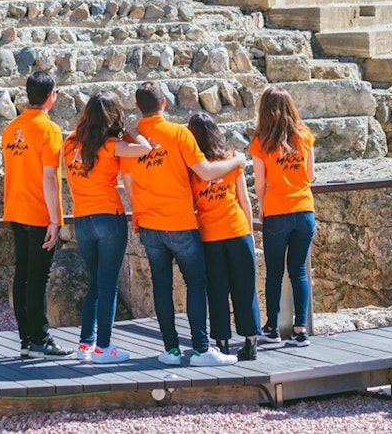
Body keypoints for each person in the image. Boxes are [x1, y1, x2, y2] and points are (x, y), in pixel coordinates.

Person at [122, 81, 245, 367]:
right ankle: (201, 349)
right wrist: (237, 160)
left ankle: (171, 350)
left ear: (138, 106)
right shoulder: (179, 134)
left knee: (161, 286)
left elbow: (128, 189)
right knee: (195, 284)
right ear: (164, 103)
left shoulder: (131, 142)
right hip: (179, 222)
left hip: (150, 225)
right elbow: (205, 171)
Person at [62, 91, 152, 364]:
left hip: (82, 219)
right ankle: (103, 347)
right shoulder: (111, 145)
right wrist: (130, 131)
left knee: (95, 284)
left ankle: (85, 344)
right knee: (108, 284)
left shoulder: (69, 144)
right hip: (108, 217)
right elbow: (146, 148)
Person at [1, 70, 71, 359]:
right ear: (50, 95)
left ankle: (26, 339)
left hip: (15, 208)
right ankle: (41, 338)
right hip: (38, 212)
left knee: (22, 276)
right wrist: (55, 220)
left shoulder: (10, 129)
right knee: (38, 278)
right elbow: (50, 178)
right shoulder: (49, 130)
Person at [187, 112, 260, 362]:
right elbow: (244, 199)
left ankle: (222, 342)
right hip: (238, 230)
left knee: (217, 291)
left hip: (210, 236)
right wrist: (249, 233)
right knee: (245, 289)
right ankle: (250, 342)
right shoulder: (231, 160)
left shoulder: (194, 169)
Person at [249, 86, 316, 348]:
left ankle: (272, 328)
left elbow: (259, 184)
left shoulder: (261, 142)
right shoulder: (305, 137)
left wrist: (263, 207)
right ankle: (300, 331)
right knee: (298, 271)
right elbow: (310, 176)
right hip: (304, 210)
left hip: (277, 212)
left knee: (274, 272)